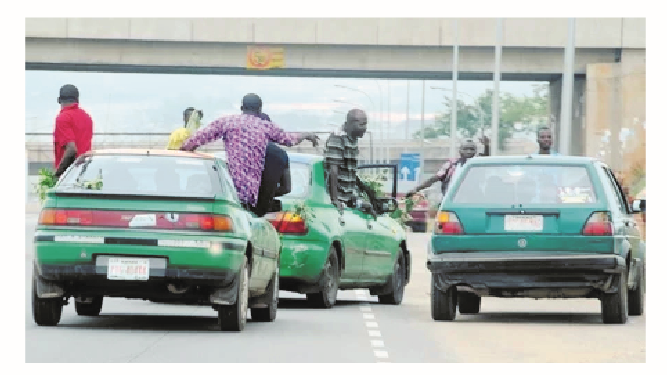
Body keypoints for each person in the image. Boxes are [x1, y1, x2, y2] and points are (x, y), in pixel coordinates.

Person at [179, 94, 319, 216]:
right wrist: (307, 135)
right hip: (250, 195)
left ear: (241, 108)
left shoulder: (227, 122)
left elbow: (201, 137)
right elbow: (289, 139)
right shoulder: (265, 126)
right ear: (260, 109)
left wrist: (184, 149)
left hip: (229, 190)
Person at [242, 95, 292, 216]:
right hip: (264, 210)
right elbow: (286, 188)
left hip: (241, 207)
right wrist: (267, 193)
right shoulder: (281, 154)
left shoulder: (241, 148)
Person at [323, 108, 378, 214]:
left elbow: (349, 170)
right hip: (339, 196)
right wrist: (335, 200)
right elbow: (333, 169)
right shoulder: (338, 138)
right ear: (350, 124)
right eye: (362, 125)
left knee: (370, 210)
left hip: (349, 195)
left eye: (365, 125)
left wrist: (365, 188)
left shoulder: (353, 139)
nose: (365, 129)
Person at [406, 136, 489, 198]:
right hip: (452, 201)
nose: (469, 152)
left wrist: (487, 146)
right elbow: (435, 178)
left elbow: (486, 160)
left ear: (476, 151)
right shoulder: (451, 164)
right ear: (460, 150)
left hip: (473, 200)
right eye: (466, 149)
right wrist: (416, 189)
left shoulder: (476, 164)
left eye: (472, 149)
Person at [53, 84, 93, 179]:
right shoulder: (87, 117)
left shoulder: (63, 118)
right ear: (77, 100)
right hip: (84, 173)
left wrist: (58, 175)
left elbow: (71, 150)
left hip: (70, 176)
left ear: (59, 100)